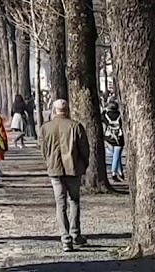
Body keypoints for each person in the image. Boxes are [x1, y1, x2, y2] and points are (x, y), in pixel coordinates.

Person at [40, 99, 89, 252]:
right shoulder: (75, 126)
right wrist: (83, 164)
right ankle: (75, 234)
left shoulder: (46, 128)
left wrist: (49, 162)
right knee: (74, 201)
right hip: (73, 169)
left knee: (60, 204)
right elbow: (84, 149)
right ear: (67, 110)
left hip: (55, 170)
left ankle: (65, 238)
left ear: (54, 110)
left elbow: (42, 149)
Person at [102, 101, 124, 181]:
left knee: (116, 156)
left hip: (108, 138)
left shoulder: (106, 115)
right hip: (119, 139)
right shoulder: (120, 115)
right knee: (116, 156)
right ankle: (114, 173)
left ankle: (120, 172)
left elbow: (102, 117)